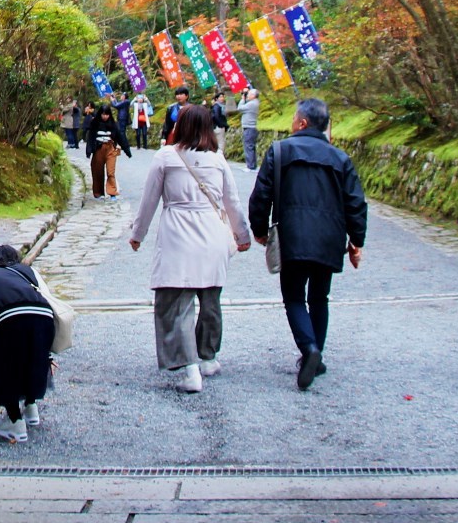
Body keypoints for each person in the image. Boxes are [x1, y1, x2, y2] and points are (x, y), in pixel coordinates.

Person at [248, 97, 368, 392]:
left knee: (293, 296)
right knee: (319, 296)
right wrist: (356, 241)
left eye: (293, 118)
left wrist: (260, 229)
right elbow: (355, 202)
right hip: (330, 237)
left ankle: (309, 349)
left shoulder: (279, 151)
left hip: (293, 234)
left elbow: (261, 193)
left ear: (302, 123)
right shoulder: (339, 158)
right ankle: (316, 355)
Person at [129, 105, 251, 392]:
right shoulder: (217, 158)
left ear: (180, 125)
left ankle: (189, 369)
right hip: (212, 233)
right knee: (211, 298)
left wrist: (138, 234)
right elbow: (232, 201)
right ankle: (207, 357)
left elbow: (149, 201)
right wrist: (242, 235)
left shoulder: (166, 156)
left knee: (176, 302)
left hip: (178, 233)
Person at [0, 245, 55, 441]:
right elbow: (47, 297)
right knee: (32, 358)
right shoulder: (29, 271)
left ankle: (15, 422)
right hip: (43, 318)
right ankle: (31, 410)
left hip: (5, 320)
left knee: (5, 367)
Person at [83, 101, 129, 199]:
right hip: (98, 148)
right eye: (103, 114)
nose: (105, 116)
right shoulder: (95, 123)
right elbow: (90, 137)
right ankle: (98, 193)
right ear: (100, 114)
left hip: (110, 149)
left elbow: (120, 137)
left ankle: (112, 192)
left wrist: (126, 150)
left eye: (107, 114)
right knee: (97, 171)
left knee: (110, 171)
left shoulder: (113, 124)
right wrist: (89, 150)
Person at [240, 84, 261, 168]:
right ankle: (252, 164)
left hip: (249, 127)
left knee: (248, 146)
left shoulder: (252, 104)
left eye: (249, 94)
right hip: (251, 127)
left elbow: (240, 108)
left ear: (253, 95)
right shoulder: (254, 103)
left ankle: (250, 165)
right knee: (251, 146)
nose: (247, 95)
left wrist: (242, 99)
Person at [209, 93, 230, 161]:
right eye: (220, 97)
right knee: (220, 142)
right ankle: (220, 158)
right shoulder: (218, 106)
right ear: (216, 98)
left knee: (216, 142)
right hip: (218, 127)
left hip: (215, 127)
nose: (222, 98)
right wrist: (222, 124)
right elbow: (217, 117)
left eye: (223, 97)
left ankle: (215, 157)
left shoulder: (217, 106)